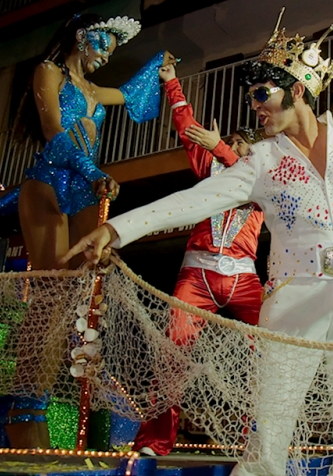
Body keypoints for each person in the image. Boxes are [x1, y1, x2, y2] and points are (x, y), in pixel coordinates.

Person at [63, 8, 333, 476]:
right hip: (291, 300)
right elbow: (195, 200)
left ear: (298, 91)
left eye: (262, 94)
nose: (255, 106)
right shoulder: (262, 160)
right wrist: (116, 228)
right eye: (251, 98)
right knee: (270, 434)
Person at [0, 13, 171, 449]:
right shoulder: (48, 71)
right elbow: (55, 132)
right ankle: (23, 412)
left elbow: (131, 95)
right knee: (49, 299)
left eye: (112, 51)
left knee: (74, 301)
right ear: (82, 36)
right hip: (49, 184)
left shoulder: (96, 91)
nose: (105, 56)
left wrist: (161, 65)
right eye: (102, 46)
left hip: (84, 192)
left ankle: (40, 402)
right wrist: (96, 170)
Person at [132, 63, 265, 457]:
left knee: (271, 352)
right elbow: (186, 123)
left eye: (242, 144)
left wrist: (221, 145)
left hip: (243, 279)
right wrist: (172, 80)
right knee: (172, 354)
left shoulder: (263, 180)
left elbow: (248, 172)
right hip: (197, 275)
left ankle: (256, 439)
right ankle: (156, 440)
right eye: (232, 141)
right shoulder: (209, 169)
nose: (233, 148)